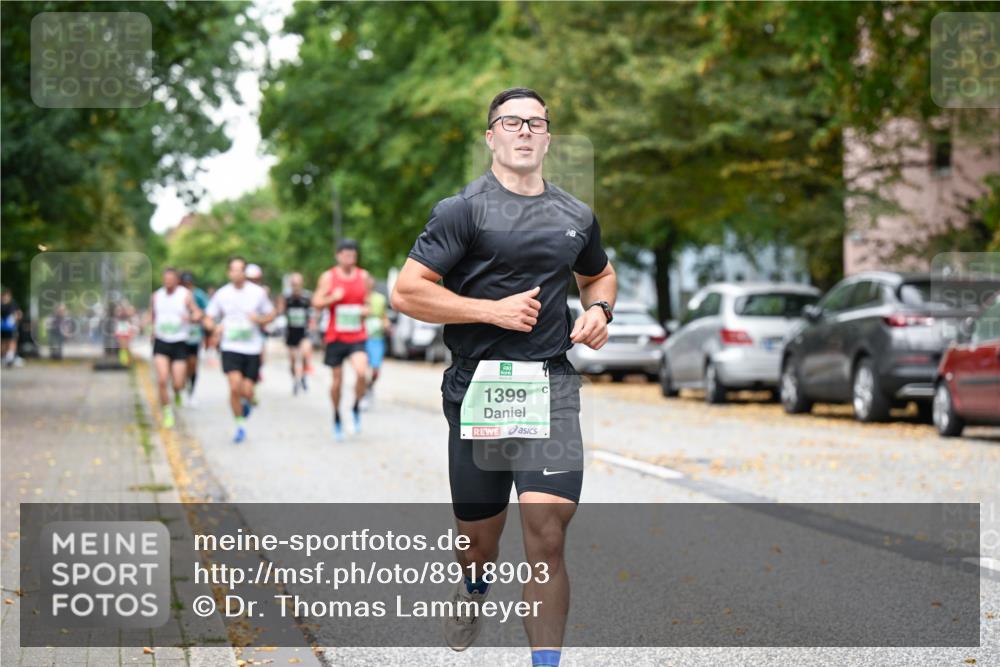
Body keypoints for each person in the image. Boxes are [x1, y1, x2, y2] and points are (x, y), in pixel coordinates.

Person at [391, 87, 616, 667]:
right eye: (511, 122)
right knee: (479, 540)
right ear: (491, 136)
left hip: (551, 384)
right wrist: (490, 310)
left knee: (546, 530)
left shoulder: (575, 214)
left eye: (536, 123)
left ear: (547, 138)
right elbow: (408, 291)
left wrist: (598, 311)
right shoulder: (461, 210)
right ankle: (471, 590)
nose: (524, 131)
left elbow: (599, 275)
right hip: (477, 387)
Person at [204, 257, 275, 443]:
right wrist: (214, 327)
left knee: (248, 391)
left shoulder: (258, 293)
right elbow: (208, 317)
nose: (237, 273)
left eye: (240, 270)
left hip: (252, 348)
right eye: (233, 270)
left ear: (245, 272)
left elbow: (271, 314)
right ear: (229, 273)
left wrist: (259, 320)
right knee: (234, 386)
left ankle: (246, 403)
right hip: (230, 347)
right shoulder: (222, 294)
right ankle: (240, 425)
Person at [311, 239, 370, 441]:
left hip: (357, 335)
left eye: (353, 255)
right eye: (345, 255)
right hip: (335, 337)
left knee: (362, 373)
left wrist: (366, 310)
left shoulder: (363, 276)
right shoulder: (328, 277)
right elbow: (316, 302)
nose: (349, 259)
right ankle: (336, 415)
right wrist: (332, 298)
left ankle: (355, 408)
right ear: (338, 256)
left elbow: (369, 303)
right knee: (337, 382)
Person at [150, 269, 202, 429]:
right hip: (161, 341)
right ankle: (167, 411)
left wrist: (192, 317)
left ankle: (178, 391)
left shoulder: (185, 295)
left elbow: (197, 313)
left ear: (176, 281)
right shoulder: (156, 296)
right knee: (162, 379)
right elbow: (151, 315)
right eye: (165, 279)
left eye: (171, 279)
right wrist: (149, 328)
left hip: (179, 342)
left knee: (178, 382)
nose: (168, 282)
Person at [277, 272, 315, 395]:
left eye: (298, 284)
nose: (296, 286)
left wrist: (313, 324)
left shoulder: (307, 297)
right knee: (293, 360)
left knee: (304, 354)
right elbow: (280, 312)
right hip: (291, 332)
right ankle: (295, 380)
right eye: (293, 284)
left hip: (304, 331)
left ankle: (303, 375)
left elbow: (313, 312)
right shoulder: (286, 297)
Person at [361, 274, 390, 410]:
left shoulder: (380, 299)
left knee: (375, 371)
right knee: (362, 370)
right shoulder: (358, 298)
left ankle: (369, 388)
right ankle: (363, 394)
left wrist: (386, 324)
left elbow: (384, 316)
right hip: (361, 338)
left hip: (376, 338)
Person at [180, 271, 209, 404]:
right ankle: (180, 385)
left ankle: (190, 390)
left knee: (192, 363)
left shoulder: (199, 295)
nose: (187, 286)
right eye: (184, 283)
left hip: (194, 334)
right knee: (180, 363)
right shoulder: (177, 294)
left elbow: (208, 311)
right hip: (178, 335)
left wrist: (197, 316)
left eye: (189, 283)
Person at [1, 287, 23, 367]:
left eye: (7, 295)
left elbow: (19, 314)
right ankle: (4, 357)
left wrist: (16, 317)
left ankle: (10, 357)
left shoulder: (13, 304)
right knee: (3, 342)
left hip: (11, 327)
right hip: (2, 327)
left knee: (12, 341)